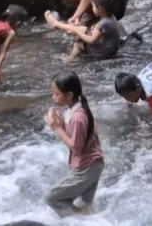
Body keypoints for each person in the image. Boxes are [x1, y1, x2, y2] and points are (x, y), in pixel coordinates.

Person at [44, 71, 104, 217]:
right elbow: (79, 138)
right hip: (93, 164)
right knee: (84, 206)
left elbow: (77, 148)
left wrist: (56, 128)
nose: (54, 97)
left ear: (69, 95)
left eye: (57, 94)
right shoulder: (79, 108)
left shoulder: (78, 117)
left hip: (87, 167)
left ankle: (79, 220)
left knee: (51, 198)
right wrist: (63, 126)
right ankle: (88, 218)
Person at [45, 0, 123, 60]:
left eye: (93, 6)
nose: (92, 8)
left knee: (78, 41)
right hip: (107, 50)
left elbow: (91, 40)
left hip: (101, 54)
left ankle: (70, 57)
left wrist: (78, 33)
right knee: (83, 29)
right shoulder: (111, 17)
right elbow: (96, 31)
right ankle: (57, 25)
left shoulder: (103, 23)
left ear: (99, 9)